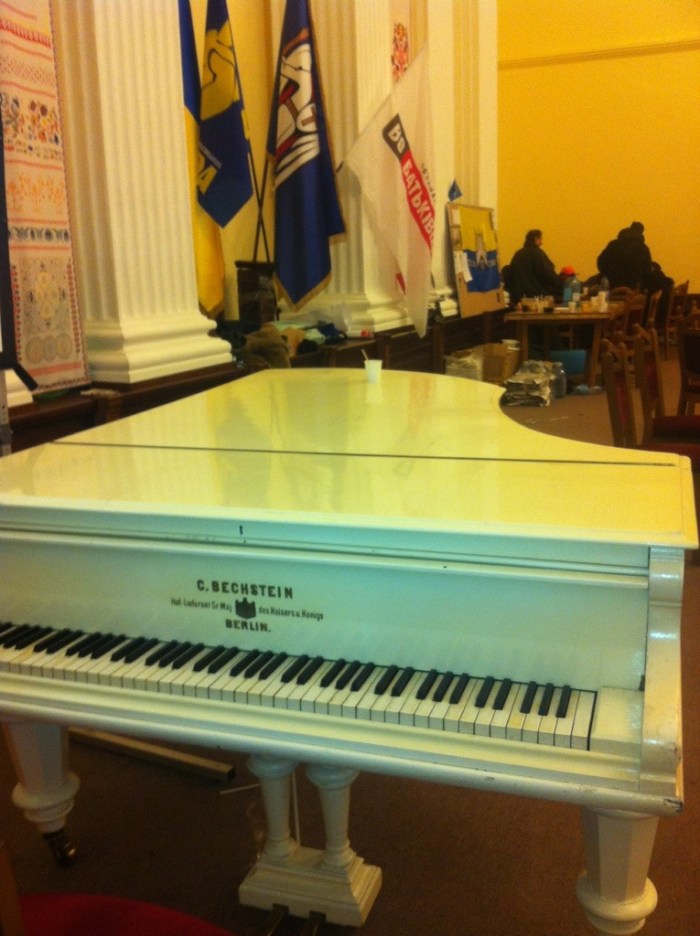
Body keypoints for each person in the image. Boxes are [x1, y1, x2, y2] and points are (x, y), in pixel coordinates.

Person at [502, 230, 562, 305]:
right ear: (536, 239)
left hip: (519, 299)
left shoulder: (518, 254)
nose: (541, 243)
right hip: (537, 298)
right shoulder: (538, 253)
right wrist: (561, 284)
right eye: (540, 239)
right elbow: (548, 274)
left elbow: (511, 274)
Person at [596, 222, 652, 291]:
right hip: (632, 288)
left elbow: (601, 261)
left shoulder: (613, 244)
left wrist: (607, 275)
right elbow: (646, 270)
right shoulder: (643, 248)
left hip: (611, 285)